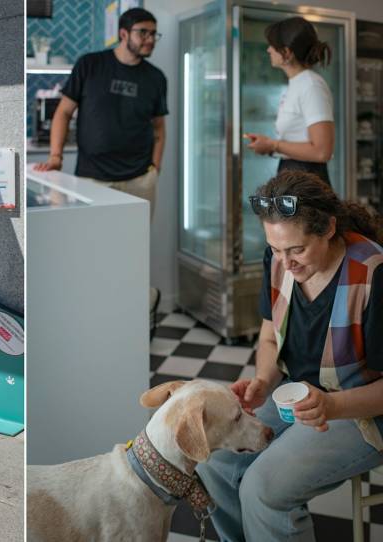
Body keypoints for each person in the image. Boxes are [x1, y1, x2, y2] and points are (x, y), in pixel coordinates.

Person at [196, 171, 383, 542]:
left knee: (263, 489)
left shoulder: (373, 274)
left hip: (362, 413)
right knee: (215, 460)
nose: (285, 262)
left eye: (296, 249)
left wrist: (330, 405)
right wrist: (264, 381)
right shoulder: (279, 260)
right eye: (276, 249)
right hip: (301, 395)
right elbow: (269, 335)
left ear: (329, 228)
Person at [33, 7, 167, 218]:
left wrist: (155, 168)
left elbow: (158, 128)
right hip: (92, 178)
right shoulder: (90, 64)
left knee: (135, 246)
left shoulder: (156, 78)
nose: (150, 39)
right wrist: (55, 156)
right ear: (123, 34)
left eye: (153, 34)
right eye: (143, 32)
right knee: (91, 244)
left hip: (140, 180)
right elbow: (63, 113)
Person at [245, 16, 334, 185]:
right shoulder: (297, 83)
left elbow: (322, 151)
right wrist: (268, 146)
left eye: (273, 46)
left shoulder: (311, 86)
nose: (268, 50)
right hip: (294, 175)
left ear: (287, 53)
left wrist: (273, 145)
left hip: (308, 182)